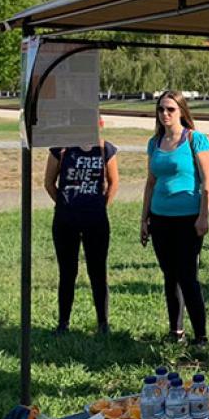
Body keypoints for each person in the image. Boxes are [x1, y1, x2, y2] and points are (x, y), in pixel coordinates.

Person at [140, 91, 209, 346]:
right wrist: (144, 219)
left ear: (181, 111)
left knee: (187, 277)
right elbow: (150, 183)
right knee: (169, 276)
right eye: (161, 109)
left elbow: (208, 183)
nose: (165, 114)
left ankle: (201, 336)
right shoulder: (155, 143)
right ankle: (176, 331)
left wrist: (203, 216)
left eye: (170, 109)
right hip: (160, 219)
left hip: (188, 219)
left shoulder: (195, 140)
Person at [43, 119, 119, 335]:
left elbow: (114, 182)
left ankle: (103, 323)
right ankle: (63, 323)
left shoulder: (106, 150)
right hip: (66, 220)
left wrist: (100, 205)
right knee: (67, 272)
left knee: (98, 271)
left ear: (101, 124)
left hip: (96, 220)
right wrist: (65, 203)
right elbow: (49, 183)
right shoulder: (61, 149)